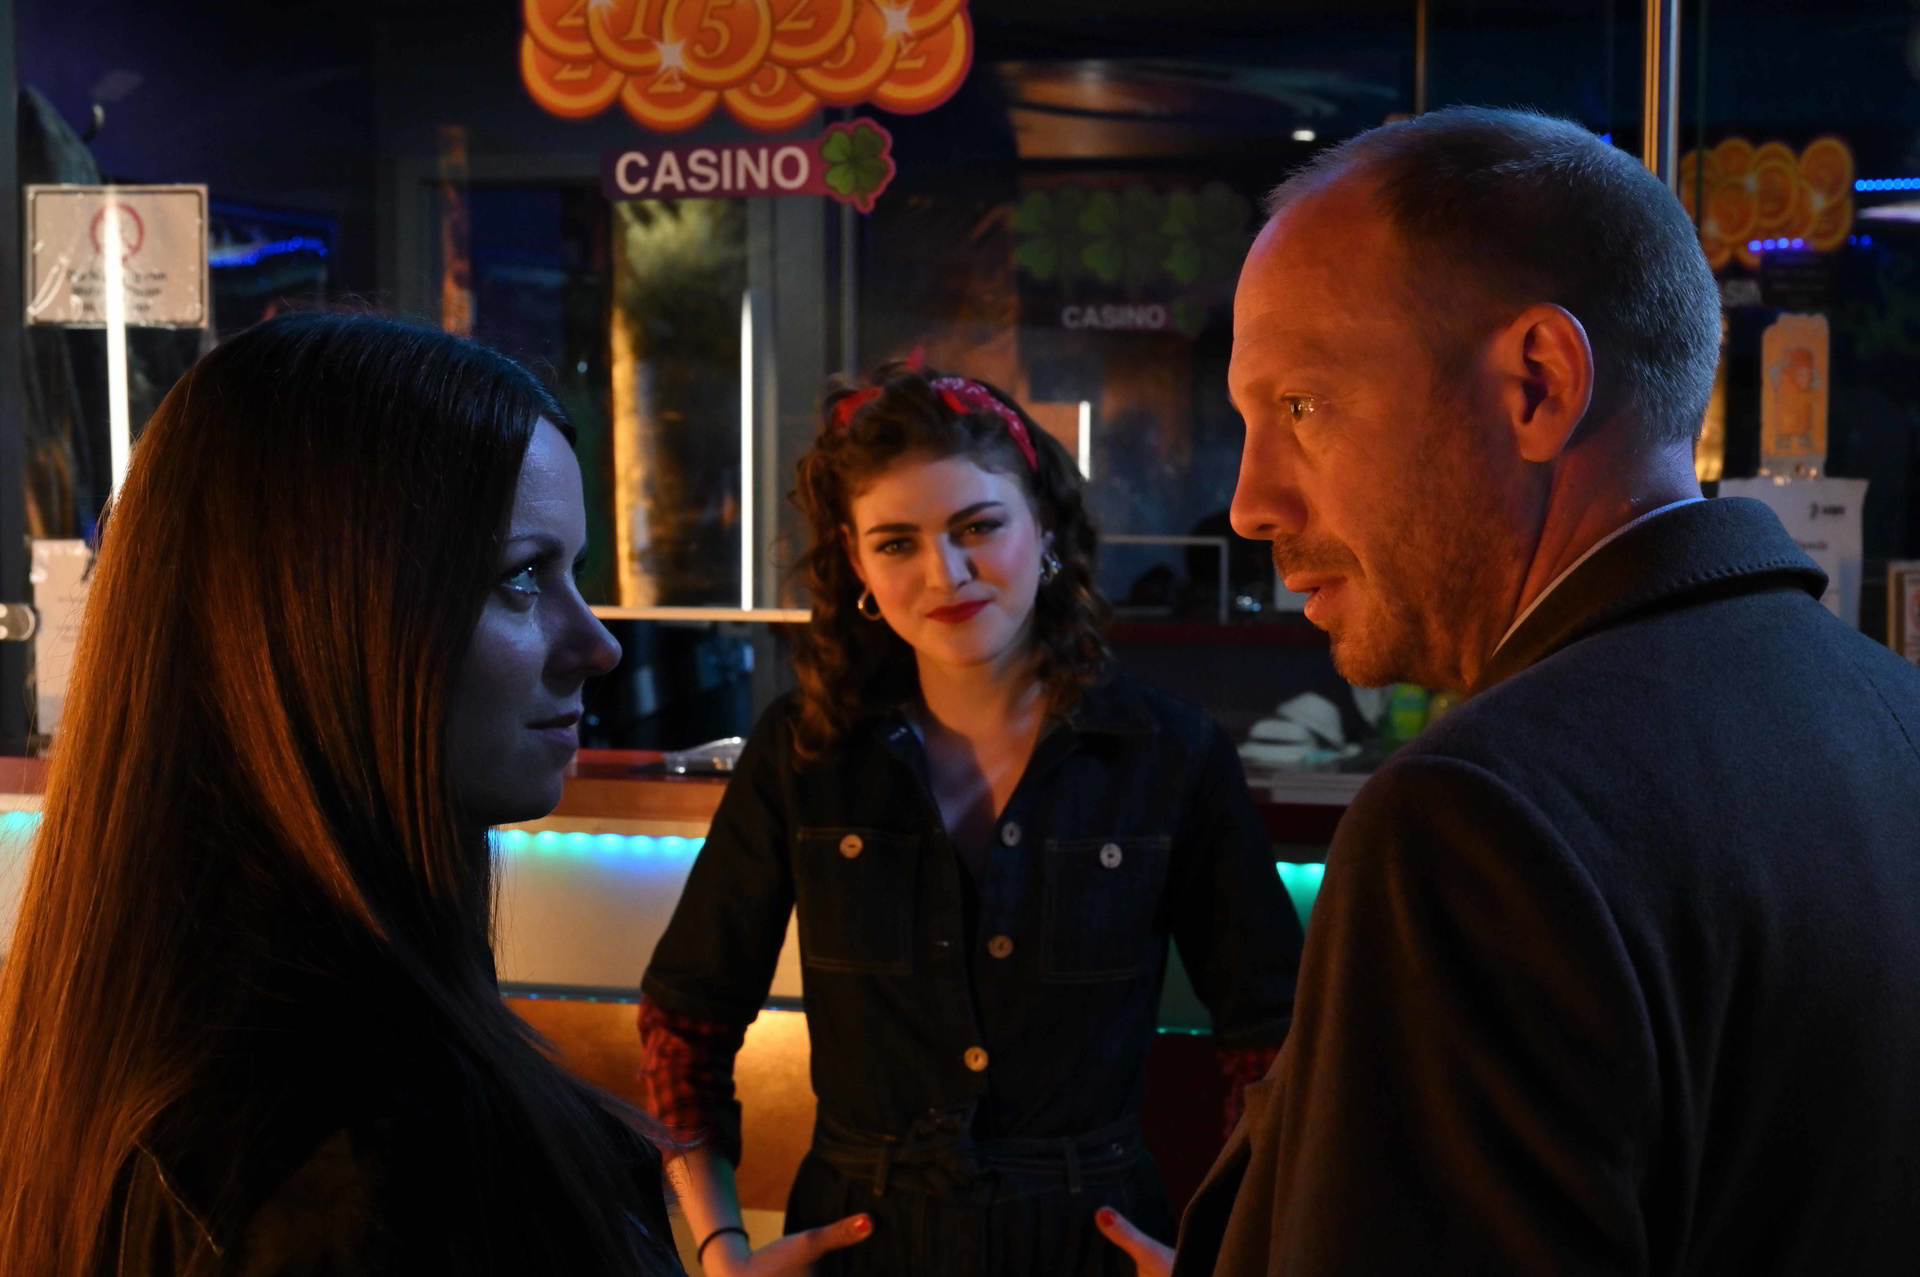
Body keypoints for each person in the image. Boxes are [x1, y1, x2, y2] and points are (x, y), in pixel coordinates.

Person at [1106, 106, 1920, 1276]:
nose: (1249, 503)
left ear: (1538, 383)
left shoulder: (1478, 819)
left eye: (1302, 406)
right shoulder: (1894, 711)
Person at [0, 311, 684, 1276]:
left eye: (574, 573)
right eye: (525, 576)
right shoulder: (370, 1150)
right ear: (322, 617)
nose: (598, 644)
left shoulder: (128, 1038)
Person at [638, 364, 1304, 1276]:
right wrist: (720, 1249)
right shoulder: (803, 753)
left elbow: (1275, 1041)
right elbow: (684, 1023)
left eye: (979, 526)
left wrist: (1227, 1248)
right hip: (863, 1246)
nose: (944, 573)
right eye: (897, 542)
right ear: (857, 560)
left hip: (1090, 1243)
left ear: (1044, 525)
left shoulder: (1169, 752)